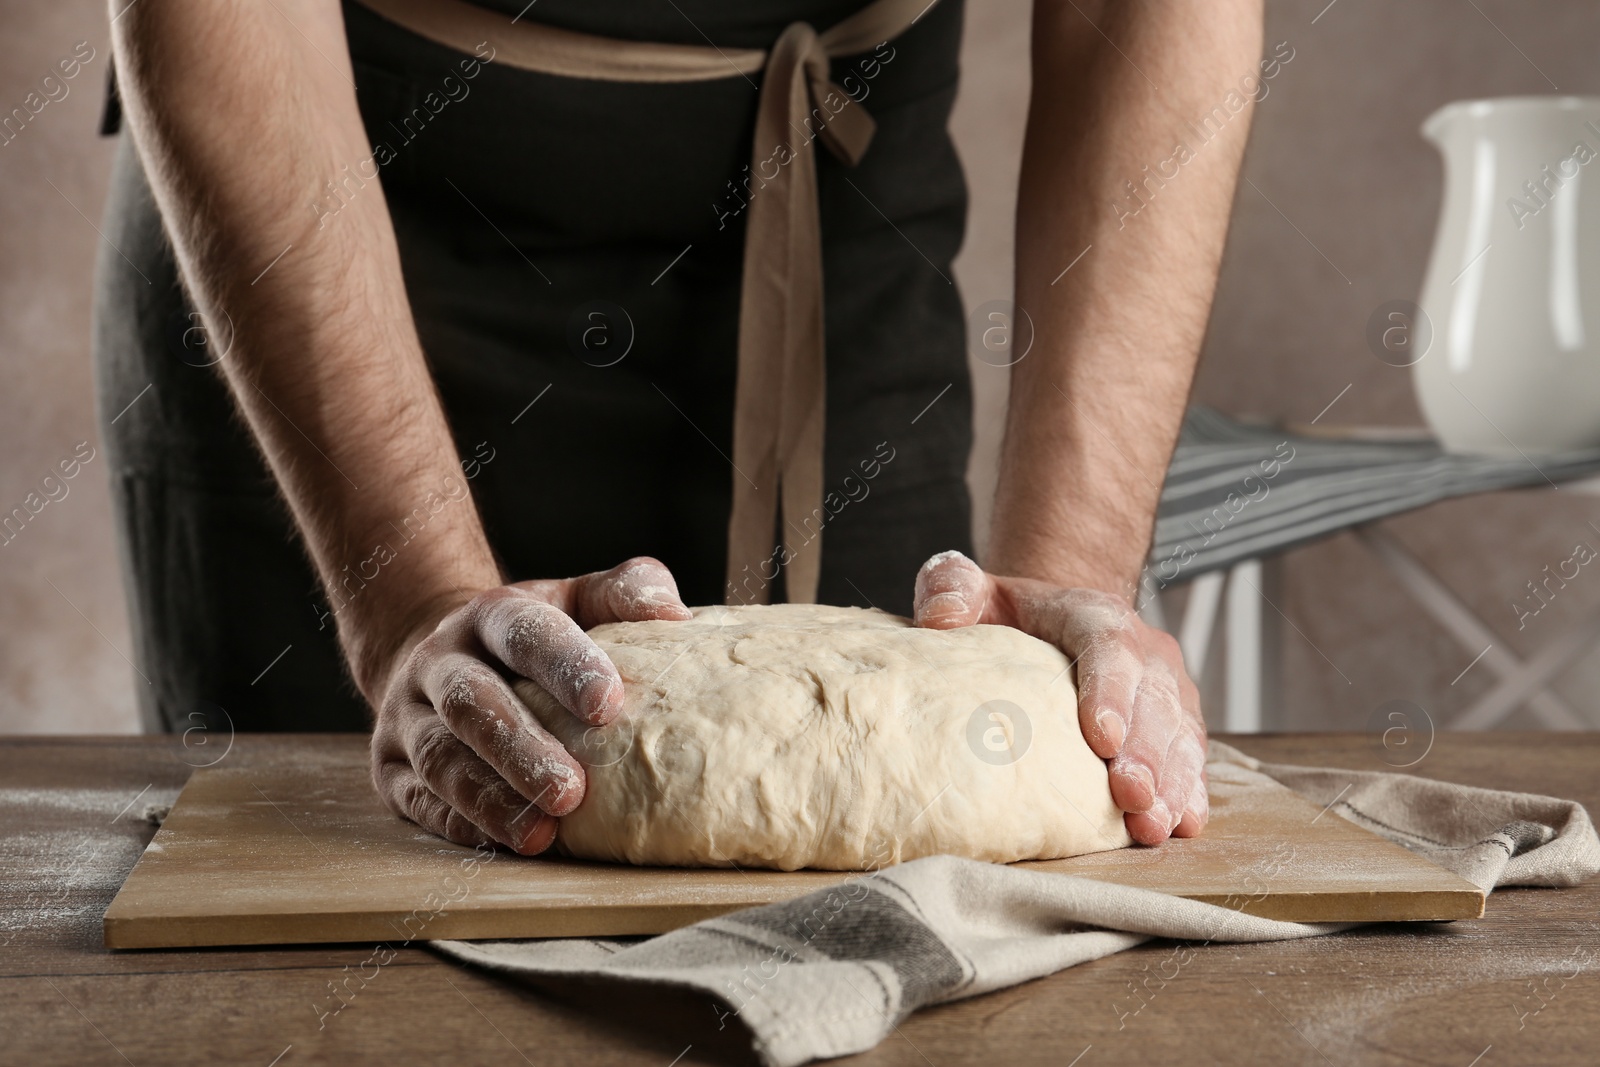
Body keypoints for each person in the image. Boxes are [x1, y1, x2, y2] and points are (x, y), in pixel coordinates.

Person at [97, 0, 1260, 856]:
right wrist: (405, 595)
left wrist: (1069, 579)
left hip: (830, 256)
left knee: (917, 886)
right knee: (338, 949)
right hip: (343, 243)